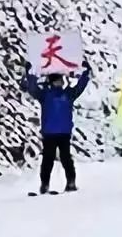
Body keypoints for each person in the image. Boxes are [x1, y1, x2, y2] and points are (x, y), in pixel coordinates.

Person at [20, 61, 92, 194]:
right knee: (50, 160)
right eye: (57, 80)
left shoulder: (65, 94)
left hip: (59, 132)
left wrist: (86, 73)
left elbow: (80, 86)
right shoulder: (48, 95)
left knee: (63, 159)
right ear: (52, 81)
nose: (59, 82)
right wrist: (30, 74)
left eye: (60, 80)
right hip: (53, 133)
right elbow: (32, 88)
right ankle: (46, 184)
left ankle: (68, 182)